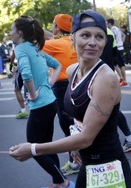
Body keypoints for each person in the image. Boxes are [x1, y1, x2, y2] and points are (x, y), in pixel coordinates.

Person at [10, 10, 131, 188]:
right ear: (72, 39)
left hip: (108, 167)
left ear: (105, 43)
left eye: (99, 36)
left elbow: (86, 139)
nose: (93, 42)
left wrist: (33, 149)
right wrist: (76, 138)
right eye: (85, 35)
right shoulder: (72, 71)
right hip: (88, 164)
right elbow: (80, 115)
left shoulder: (107, 79)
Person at [9, 15, 76, 188]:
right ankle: (57, 182)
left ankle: (64, 183)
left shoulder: (22, 48)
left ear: (19, 33)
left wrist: (33, 94)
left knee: (34, 149)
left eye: (12, 29)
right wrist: (47, 85)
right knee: (46, 145)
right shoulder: (34, 48)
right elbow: (57, 66)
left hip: (41, 105)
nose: (10, 33)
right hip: (50, 103)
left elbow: (27, 73)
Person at [42, 14, 80, 176]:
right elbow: (55, 38)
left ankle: (75, 161)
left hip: (62, 87)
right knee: (78, 122)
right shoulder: (75, 40)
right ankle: (78, 158)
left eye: (53, 24)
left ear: (57, 27)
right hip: (79, 83)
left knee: (67, 125)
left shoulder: (53, 44)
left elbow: (35, 44)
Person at [101, 27, 131, 153]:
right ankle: (128, 138)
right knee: (111, 109)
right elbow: (114, 54)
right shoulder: (109, 32)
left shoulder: (86, 32)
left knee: (110, 110)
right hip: (106, 75)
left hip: (100, 77)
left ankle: (128, 139)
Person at [107, 18, 129, 87]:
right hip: (120, 47)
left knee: (119, 64)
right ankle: (122, 78)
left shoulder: (113, 29)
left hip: (117, 48)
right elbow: (124, 35)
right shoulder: (117, 28)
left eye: (107, 23)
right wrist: (121, 42)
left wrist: (116, 42)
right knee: (117, 64)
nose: (106, 25)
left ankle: (124, 80)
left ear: (110, 23)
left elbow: (113, 37)